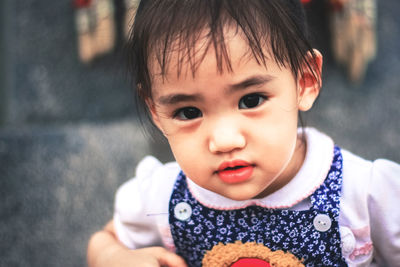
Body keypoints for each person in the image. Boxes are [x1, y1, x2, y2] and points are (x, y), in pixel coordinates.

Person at [87, 0, 400, 266]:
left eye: (251, 100)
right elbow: (106, 240)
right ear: (156, 111)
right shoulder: (163, 196)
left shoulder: (364, 194)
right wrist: (114, 257)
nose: (225, 140)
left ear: (304, 81)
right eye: (188, 112)